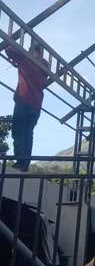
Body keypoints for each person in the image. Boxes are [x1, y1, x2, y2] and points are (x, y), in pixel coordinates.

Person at [5, 40, 49, 171]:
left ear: (31, 50)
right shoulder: (44, 66)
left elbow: (9, 49)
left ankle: (21, 161)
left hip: (23, 101)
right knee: (28, 133)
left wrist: (22, 49)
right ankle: (25, 163)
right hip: (36, 106)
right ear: (41, 52)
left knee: (18, 132)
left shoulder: (26, 59)